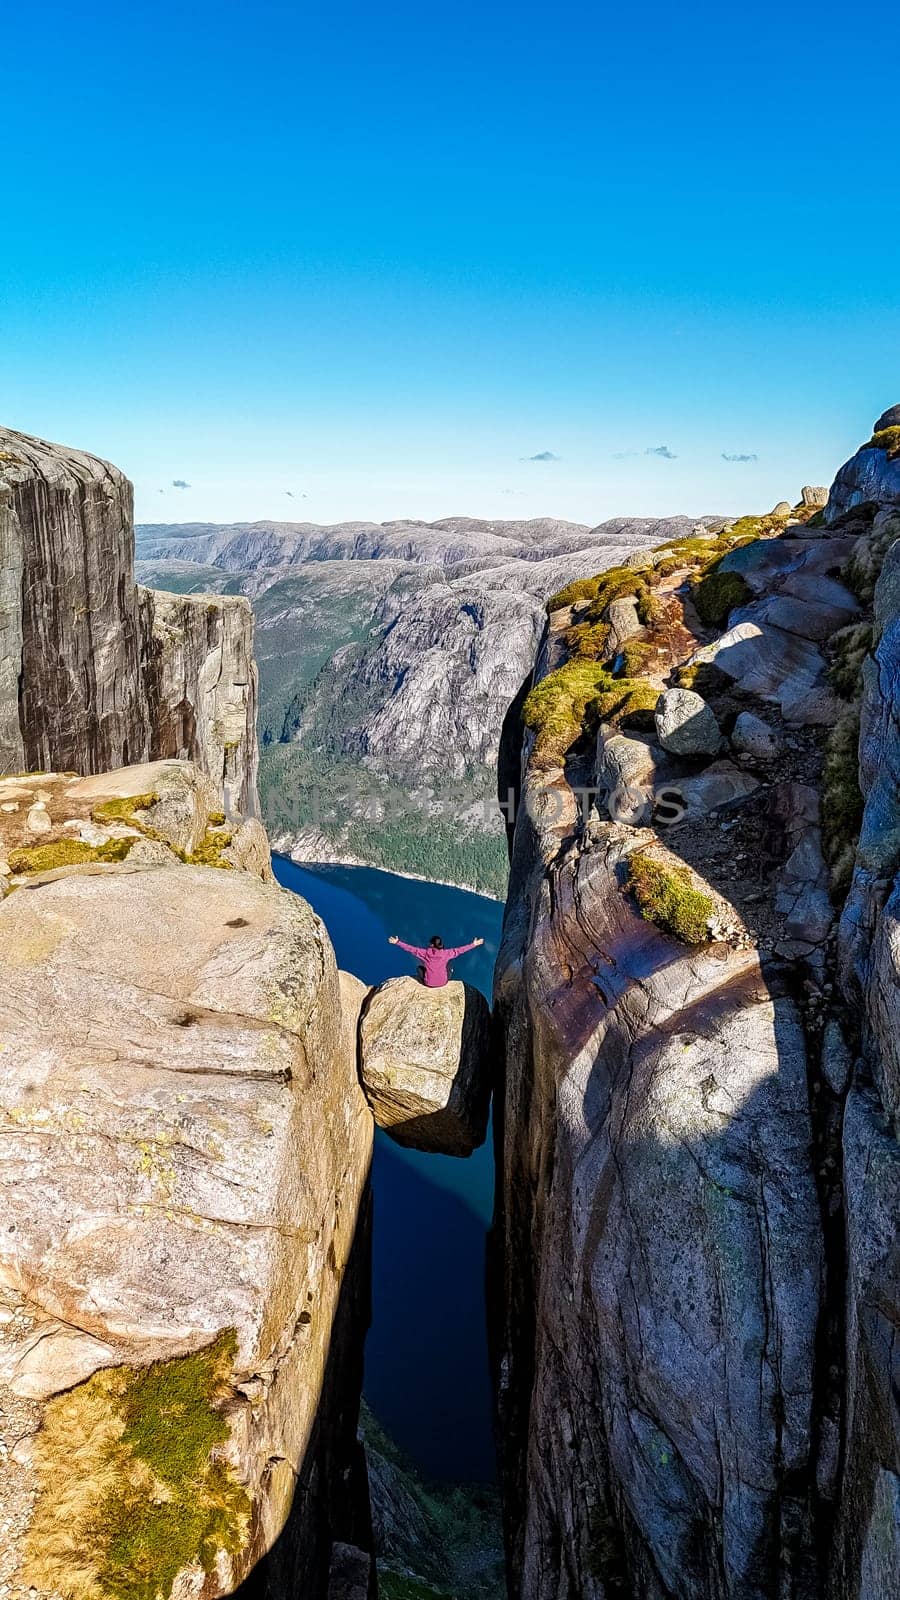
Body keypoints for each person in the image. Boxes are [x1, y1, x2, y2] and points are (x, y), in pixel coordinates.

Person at [388, 931, 484, 988]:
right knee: (449, 966)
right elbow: (460, 950)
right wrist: (474, 944)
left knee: (419, 968)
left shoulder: (425, 953)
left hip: (428, 983)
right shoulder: (447, 953)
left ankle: (429, 979)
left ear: (432, 945)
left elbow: (411, 949)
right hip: (443, 983)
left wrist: (397, 942)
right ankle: (444, 975)